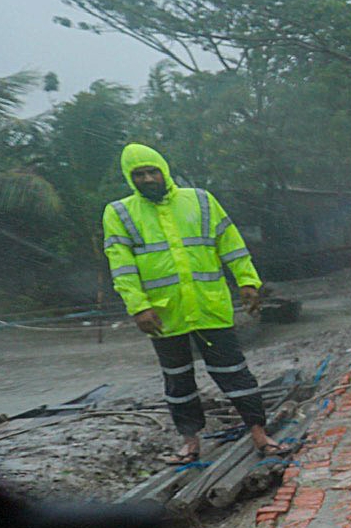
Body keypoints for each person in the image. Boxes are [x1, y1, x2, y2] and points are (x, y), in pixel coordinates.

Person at [103, 143, 287, 464]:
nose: (148, 179)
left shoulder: (200, 200)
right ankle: (190, 442)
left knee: (235, 372)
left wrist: (247, 281)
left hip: (209, 307)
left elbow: (231, 244)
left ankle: (259, 433)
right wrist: (138, 306)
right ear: (130, 179)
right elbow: (122, 267)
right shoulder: (119, 213)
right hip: (163, 314)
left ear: (164, 170)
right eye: (139, 175)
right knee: (178, 381)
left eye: (152, 171)